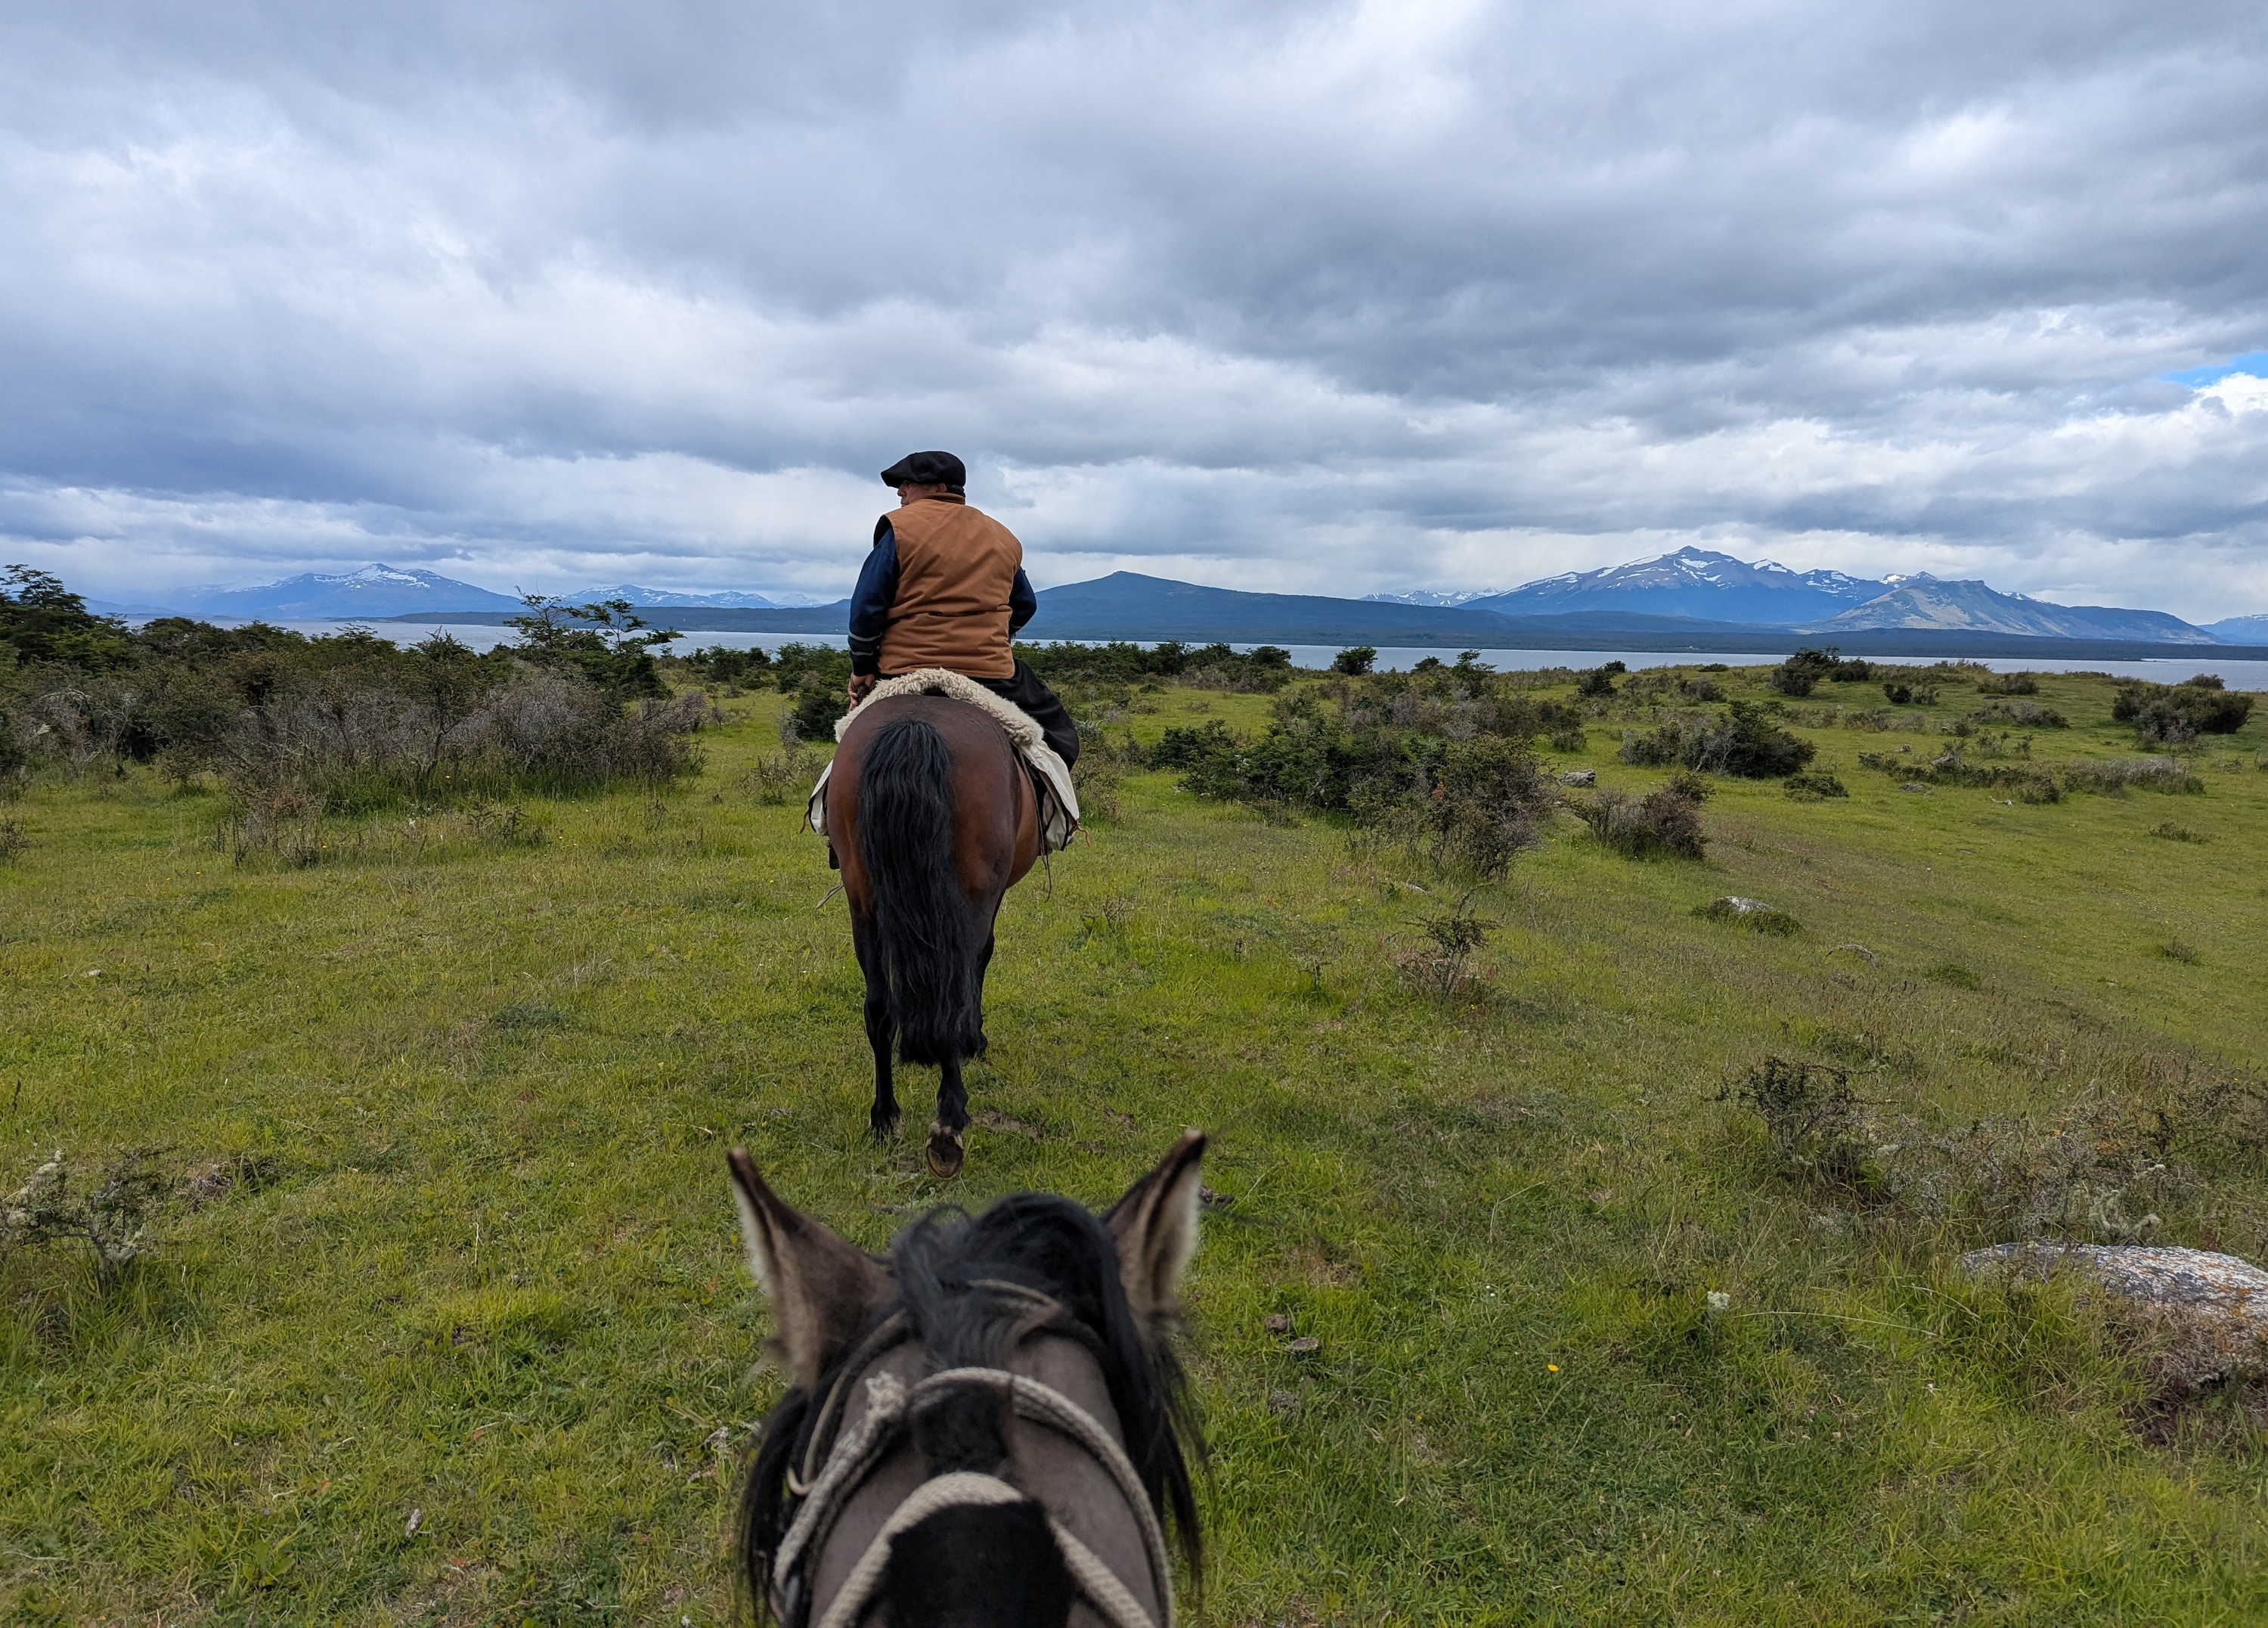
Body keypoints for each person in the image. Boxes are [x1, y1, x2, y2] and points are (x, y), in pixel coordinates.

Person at [846, 450, 1080, 767]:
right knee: (1058, 736)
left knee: (848, 748)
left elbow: (866, 608)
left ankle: (822, 812)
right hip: (990, 673)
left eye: (908, 484)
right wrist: (992, 635)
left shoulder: (899, 528)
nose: (900, 492)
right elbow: (1025, 604)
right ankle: (1062, 814)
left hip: (904, 668)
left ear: (940, 488)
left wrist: (862, 667)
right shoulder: (1001, 536)